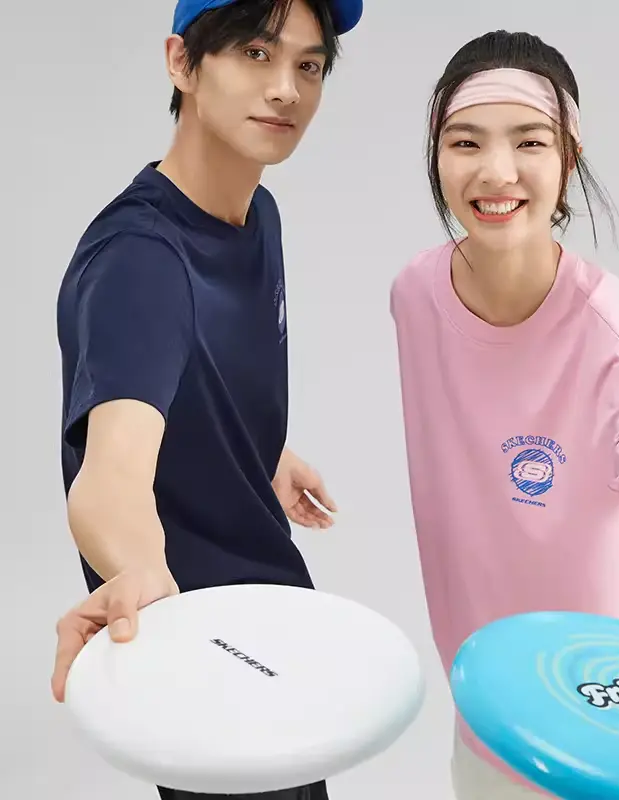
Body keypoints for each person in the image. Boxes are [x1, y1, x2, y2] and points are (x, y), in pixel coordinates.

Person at [389, 30, 619, 799]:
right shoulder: (414, 296)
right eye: (465, 141)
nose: (495, 171)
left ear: (569, 157)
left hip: (602, 714)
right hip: (486, 707)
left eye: (529, 142)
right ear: (437, 156)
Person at [50, 0, 362, 797]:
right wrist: (141, 571)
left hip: (270, 622)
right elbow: (110, 475)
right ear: (182, 63)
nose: (286, 88)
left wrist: (256, 451)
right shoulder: (141, 260)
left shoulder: (256, 215)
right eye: (256, 53)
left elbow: (181, 371)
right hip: (204, 657)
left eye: (308, 65)